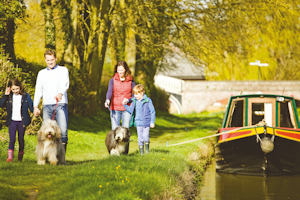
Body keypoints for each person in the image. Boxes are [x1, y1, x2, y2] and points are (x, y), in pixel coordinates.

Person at [33, 49, 69, 153]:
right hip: (47, 105)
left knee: (62, 131)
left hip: (60, 104)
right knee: (46, 132)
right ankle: (48, 155)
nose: (50, 62)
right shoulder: (41, 73)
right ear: (45, 60)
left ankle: (61, 157)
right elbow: (38, 90)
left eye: (52, 60)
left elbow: (65, 83)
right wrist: (35, 106)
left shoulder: (63, 70)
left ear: (56, 59)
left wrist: (61, 93)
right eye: (48, 60)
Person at [0, 78, 33, 162]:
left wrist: (36, 111)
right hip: (12, 121)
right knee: (12, 139)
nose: (15, 91)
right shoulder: (9, 97)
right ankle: (10, 157)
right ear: (10, 88)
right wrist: (5, 95)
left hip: (22, 121)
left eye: (17, 89)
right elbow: (1, 105)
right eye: (13, 89)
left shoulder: (25, 96)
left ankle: (20, 157)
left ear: (20, 87)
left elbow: (31, 106)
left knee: (21, 139)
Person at [123, 84, 155, 155]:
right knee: (140, 138)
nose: (135, 96)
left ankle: (147, 151)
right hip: (138, 123)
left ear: (142, 92)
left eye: (137, 94)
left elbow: (152, 112)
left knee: (145, 137)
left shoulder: (148, 101)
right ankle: (141, 153)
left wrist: (152, 122)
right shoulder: (134, 101)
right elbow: (130, 111)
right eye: (134, 94)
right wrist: (125, 105)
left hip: (146, 122)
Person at [104, 61, 135, 130]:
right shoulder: (112, 80)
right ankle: (114, 141)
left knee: (125, 130)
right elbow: (109, 92)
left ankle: (125, 141)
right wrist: (107, 100)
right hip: (115, 108)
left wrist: (128, 100)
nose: (120, 72)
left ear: (125, 70)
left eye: (122, 70)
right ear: (116, 70)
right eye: (118, 70)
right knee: (115, 130)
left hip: (127, 108)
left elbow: (134, 95)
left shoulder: (131, 81)